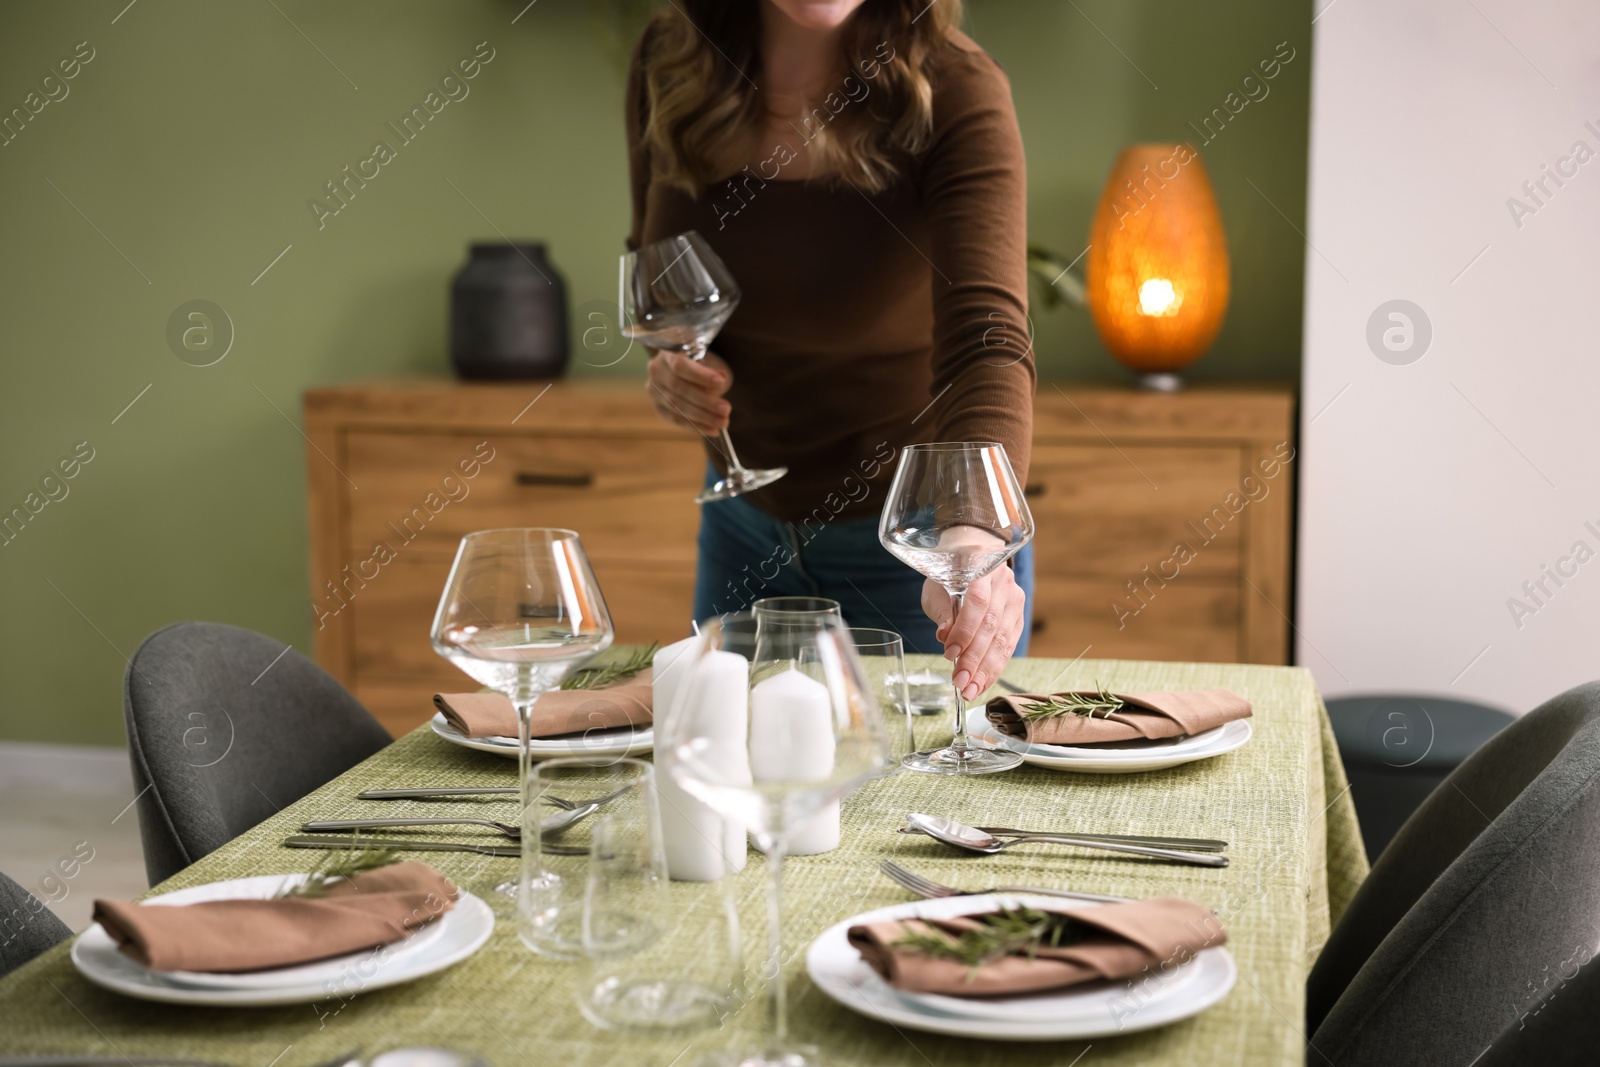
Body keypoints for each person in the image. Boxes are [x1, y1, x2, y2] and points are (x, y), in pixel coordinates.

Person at [625, 0, 1034, 703]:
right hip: (742, 537)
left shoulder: (958, 91)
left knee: (911, 802)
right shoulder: (670, 60)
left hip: (916, 552)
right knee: (733, 789)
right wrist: (671, 368)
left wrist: (969, 541)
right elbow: (660, 274)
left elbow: (985, 337)